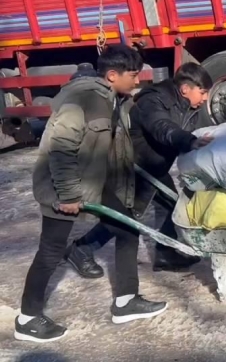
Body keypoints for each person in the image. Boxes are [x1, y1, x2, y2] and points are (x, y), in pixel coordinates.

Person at [17, 44, 167, 343]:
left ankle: (126, 301)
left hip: (94, 183)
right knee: (51, 251)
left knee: (127, 228)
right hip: (61, 187)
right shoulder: (82, 99)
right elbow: (61, 149)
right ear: (112, 75)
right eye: (133, 75)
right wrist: (68, 195)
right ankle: (27, 319)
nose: (137, 81)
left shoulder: (114, 99)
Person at [65, 62, 214, 277]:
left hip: (154, 166)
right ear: (185, 89)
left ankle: (165, 254)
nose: (206, 98)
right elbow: (162, 127)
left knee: (171, 205)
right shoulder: (153, 101)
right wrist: (188, 140)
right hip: (131, 165)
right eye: (203, 92)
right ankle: (81, 249)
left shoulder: (190, 107)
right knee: (125, 217)